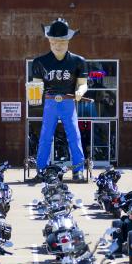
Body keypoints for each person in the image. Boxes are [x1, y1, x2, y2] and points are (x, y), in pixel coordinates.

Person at [31, 18, 88, 182]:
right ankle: (42, 169)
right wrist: (33, 93)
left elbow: (83, 85)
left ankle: (78, 170)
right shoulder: (39, 62)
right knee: (45, 136)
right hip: (50, 102)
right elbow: (36, 85)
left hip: (68, 101)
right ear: (49, 40)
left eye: (62, 41)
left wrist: (80, 91)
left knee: (74, 135)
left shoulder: (78, 62)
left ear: (68, 40)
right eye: (54, 40)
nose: (58, 44)